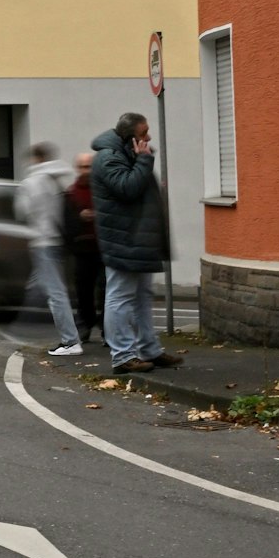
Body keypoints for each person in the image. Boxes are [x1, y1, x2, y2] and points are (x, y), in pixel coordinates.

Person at [92, 112, 181, 374]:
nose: (149, 137)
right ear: (130, 137)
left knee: (142, 296)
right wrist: (143, 160)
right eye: (144, 133)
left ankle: (149, 349)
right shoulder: (109, 158)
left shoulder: (125, 154)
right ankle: (122, 356)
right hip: (123, 239)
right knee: (119, 296)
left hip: (136, 238)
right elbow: (127, 188)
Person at [16, 141, 82, 357]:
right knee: (39, 285)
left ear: (35, 158)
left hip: (41, 241)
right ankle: (21, 325)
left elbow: (24, 212)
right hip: (57, 240)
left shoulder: (31, 183)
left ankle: (71, 341)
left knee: (55, 292)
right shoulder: (56, 179)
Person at [63, 150, 104, 345]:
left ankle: (107, 328)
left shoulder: (102, 190)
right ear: (77, 168)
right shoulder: (71, 193)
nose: (86, 170)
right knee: (83, 291)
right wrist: (80, 217)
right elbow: (65, 223)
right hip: (81, 249)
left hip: (102, 248)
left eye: (89, 166)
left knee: (105, 291)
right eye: (82, 166)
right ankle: (85, 325)